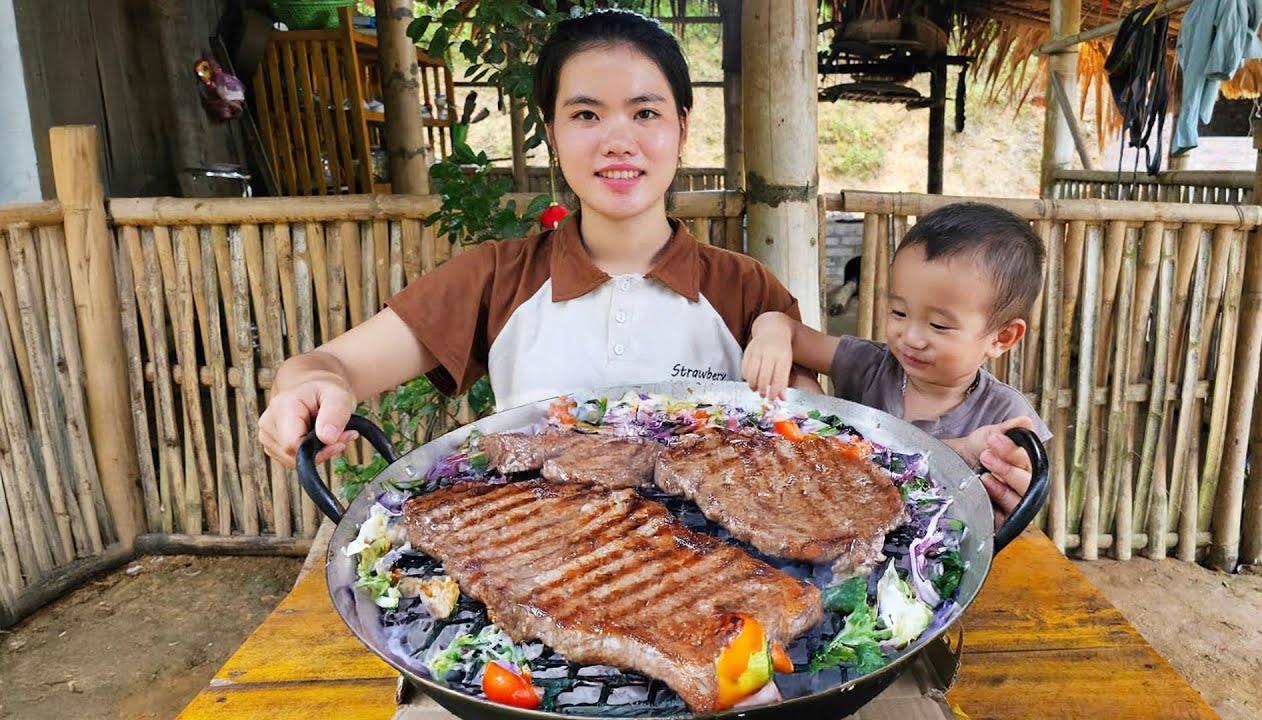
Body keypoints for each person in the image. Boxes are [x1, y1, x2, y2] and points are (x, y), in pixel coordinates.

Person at [257, 9, 816, 467]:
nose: (618, 141)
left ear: (682, 128)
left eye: (645, 112)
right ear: (552, 133)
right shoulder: (497, 278)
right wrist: (306, 390)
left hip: (707, 586)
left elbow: (811, 425)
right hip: (530, 574)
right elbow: (329, 365)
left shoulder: (744, 289)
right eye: (586, 115)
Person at [742, 203, 1050, 526]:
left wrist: (1010, 480)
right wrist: (771, 334)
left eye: (939, 326)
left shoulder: (1005, 415)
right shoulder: (871, 366)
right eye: (899, 313)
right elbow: (787, 330)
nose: (911, 337)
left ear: (1002, 337)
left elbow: (1017, 504)